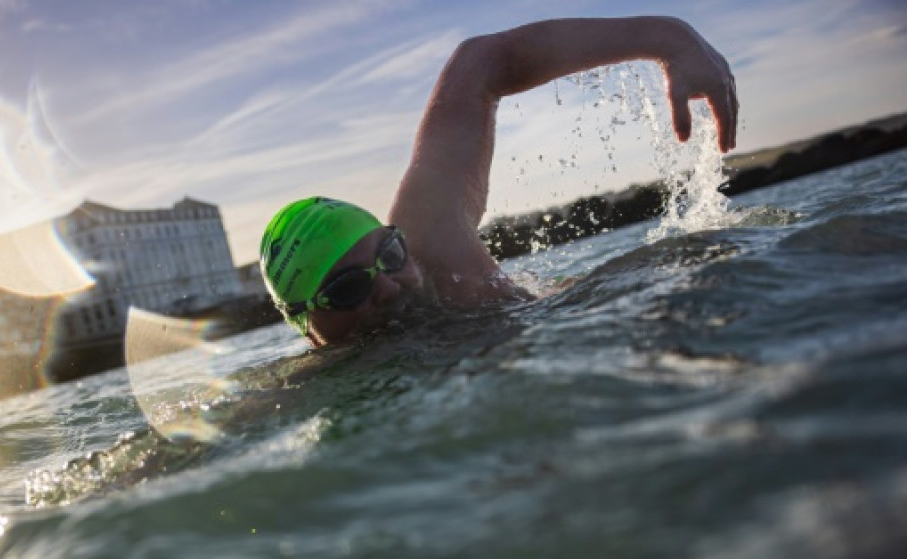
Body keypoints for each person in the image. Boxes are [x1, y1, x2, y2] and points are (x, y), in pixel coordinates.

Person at [260, 16, 739, 347]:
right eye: (347, 291)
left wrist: (668, 38)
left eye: (389, 255)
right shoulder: (310, 388)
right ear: (307, 329)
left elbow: (480, 60)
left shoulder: (433, 242)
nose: (386, 288)